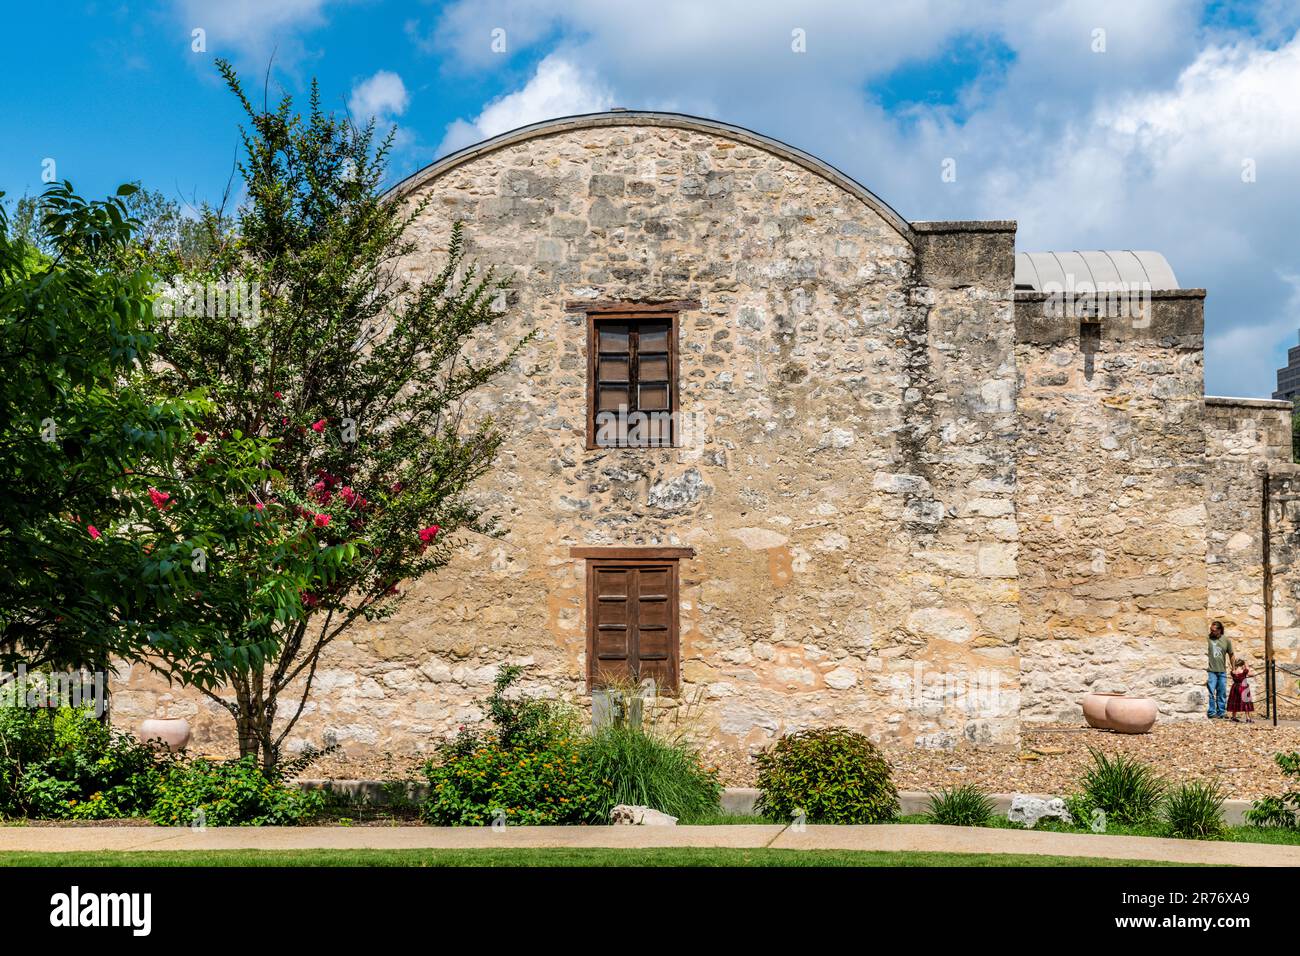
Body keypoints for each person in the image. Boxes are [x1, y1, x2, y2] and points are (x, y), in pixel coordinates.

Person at [1206, 621, 1235, 720]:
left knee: (1221, 692)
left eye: (1214, 630)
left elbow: (1231, 654)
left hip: (1222, 671)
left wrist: (1233, 668)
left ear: (1219, 630)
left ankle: (1221, 712)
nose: (1211, 632)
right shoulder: (1207, 639)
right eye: (1211, 630)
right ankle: (1211, 712)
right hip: (1210, 670)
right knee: (1210, 692)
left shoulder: (1226, 640)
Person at [1227, 656, 1255, 723]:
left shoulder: (1233, 672)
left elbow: (1233, 670)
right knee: (1246, 702)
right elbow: (1252, 674)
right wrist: (1247, 666)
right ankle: (1248, 718)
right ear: (1242, 665)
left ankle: (1234, 717)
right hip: (1243, 687)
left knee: (1235, 701)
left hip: (1235, 687)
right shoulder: (1244, 671)